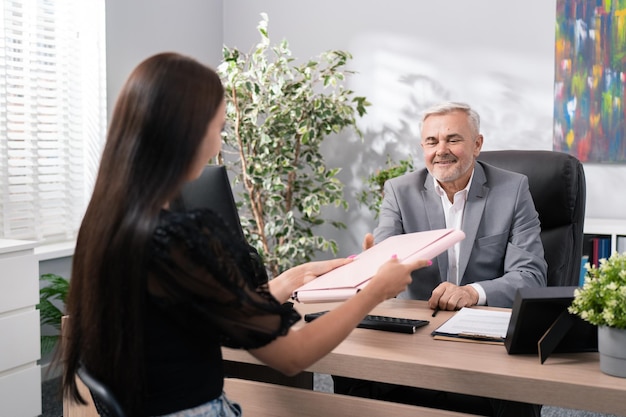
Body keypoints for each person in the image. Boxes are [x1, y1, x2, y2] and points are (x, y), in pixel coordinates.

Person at [60, 52, 431, 417]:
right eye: (218, 129)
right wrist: (374, 292)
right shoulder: (181, 236)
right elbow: (292, 356)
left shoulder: (107, 224)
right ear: (186, 131)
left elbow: (200, 309)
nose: (218, 145)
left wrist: (290, 279)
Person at [334, 101, 547, 417]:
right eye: (432, 142)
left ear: (477, 144)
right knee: (350, 373)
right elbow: (384, 265)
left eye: (453, 139)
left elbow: (531, 275)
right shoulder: (399, 190)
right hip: (418, 333)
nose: (441, 150)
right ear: (423, 147)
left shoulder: (513, 189)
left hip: (484, 335)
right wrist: (374, 267)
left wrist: (472, 292)